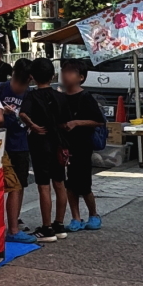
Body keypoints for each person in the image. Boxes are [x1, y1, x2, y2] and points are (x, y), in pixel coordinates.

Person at [19, 58, 70, 243]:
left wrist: (32, 125)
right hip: (59, 143)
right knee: (60, 183)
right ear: (53, 75)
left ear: (32, 77)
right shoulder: (60, 96)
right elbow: (65, 121)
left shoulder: (31, 96)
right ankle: (59, 224)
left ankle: (47, 228)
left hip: (40, 144)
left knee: (43, 186)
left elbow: (22, 113)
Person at [0, 58, 36, 244]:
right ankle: (1, 224)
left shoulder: (30, 95)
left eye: (22, 85)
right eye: (17, 83)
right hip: (0, 144)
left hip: (21, 145)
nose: (19, 88)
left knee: (19, 185)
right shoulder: (0, 89)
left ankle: (14, 222)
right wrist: (3, 112)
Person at [59, 59, 105, 232]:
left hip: (83, 146)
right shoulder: (61, 97)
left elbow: (99, 121)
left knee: (84, 184)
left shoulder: (86, 97)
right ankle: (75, 217)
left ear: (81, 77)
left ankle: (94, 214)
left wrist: (77, 122)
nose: (65, 75)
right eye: (64, 71)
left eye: (70, 72)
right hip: (66, 146)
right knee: (70, 185)